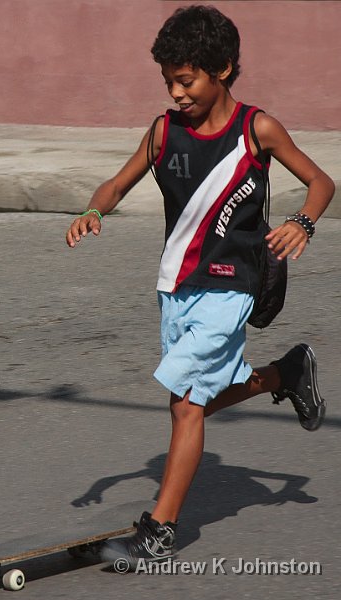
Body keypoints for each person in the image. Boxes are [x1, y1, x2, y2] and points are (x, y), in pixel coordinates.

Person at [65, 4, 335, 563]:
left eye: (186, 80)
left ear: (224, 69)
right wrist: (95, 210)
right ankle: (283, 374)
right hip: (175, 287)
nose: (177, 92)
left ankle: (160, 529)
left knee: (187, 405)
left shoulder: (256, 129)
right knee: (192, 401)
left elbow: (319, 181)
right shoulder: (164, 132)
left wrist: (301, 221)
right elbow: (116, 183)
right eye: (169, 81)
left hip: (234, 285)